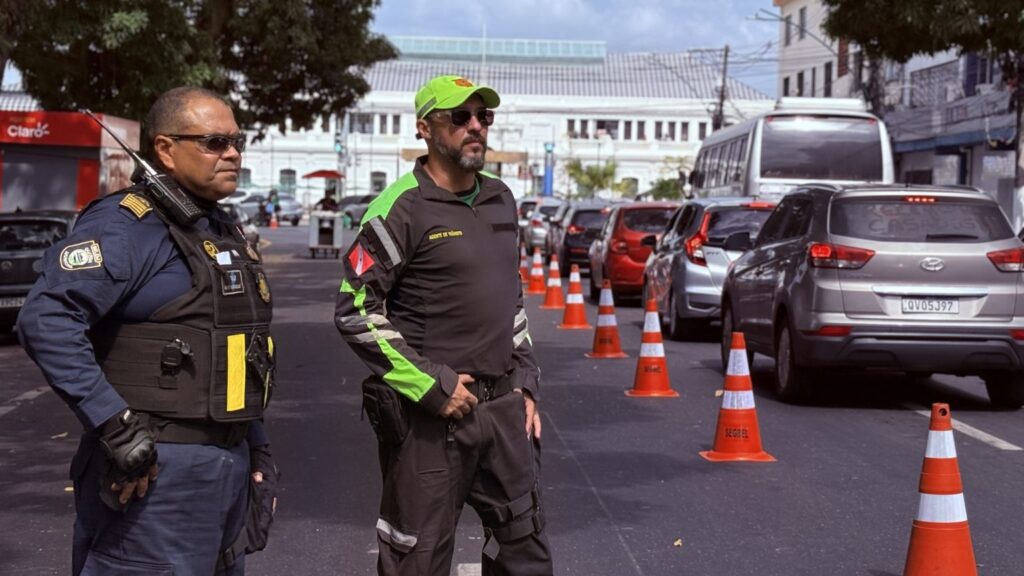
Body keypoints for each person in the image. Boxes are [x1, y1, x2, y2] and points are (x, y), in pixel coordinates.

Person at [17, 86, 278, 575]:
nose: (233, 154)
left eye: (238, 141)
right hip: (153, 469)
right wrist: (113, 425)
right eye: (214, 142)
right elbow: (45, 318)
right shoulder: (128, 226)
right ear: (164, 149)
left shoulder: (218, 229)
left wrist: (255, 444)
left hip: (227, 466)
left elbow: (238, 350)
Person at [334, 75, 553, 576]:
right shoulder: (399, 208)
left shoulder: (501, 198)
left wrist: (525, 382)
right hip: (431, 421)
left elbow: (510, 301)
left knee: (526, 554)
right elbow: (355, 309)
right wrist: (433, 384)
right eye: (460, 117)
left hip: (502, 414)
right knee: (418, 559)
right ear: (426, 129)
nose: (476, 127)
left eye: (484, 117)